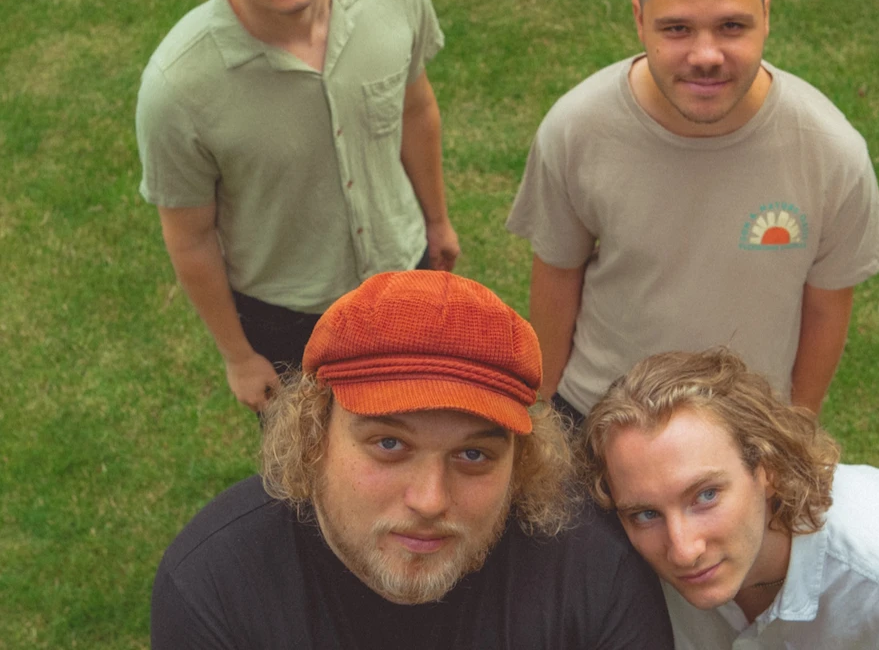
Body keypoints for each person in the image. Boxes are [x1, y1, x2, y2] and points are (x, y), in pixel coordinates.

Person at [507, 0, 879, 422]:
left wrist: (799, 426)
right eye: (677, 29)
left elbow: (827, 306)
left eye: (731, 26)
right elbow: (556, 273)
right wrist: (543, 408)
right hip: (600, 415)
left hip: (748, 430)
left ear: (767, 15)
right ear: (640, 22)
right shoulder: (576, 130)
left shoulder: (831, 153)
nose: (705, 55)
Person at [151, 270, 674, 649]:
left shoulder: (596, 574)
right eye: (389, 445)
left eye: (473, 454)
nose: (429, 500)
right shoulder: (213, 585)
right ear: (313, 437)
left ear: (522, 461)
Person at [136, 0, 459, 413]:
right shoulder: (177, 87)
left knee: (422, 443)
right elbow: (189, 235)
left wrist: (436, 222)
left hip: (405, 273)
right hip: (286, 325)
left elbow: (415, 109)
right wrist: (238, 354)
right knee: (312, 490)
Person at [583, 347, 879, 649]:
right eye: (646, 513)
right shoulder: (614, 557)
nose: (683, 551)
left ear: (767, 468)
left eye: (705, 495)